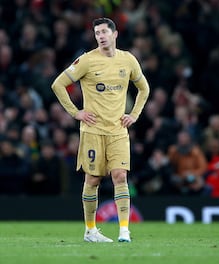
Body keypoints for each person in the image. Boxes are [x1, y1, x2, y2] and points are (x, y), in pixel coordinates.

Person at [51, 17, 150, 243]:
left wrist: (134, 114)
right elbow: (57, 84)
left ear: (115, 34)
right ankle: (90, 230)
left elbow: (144, 88)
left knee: (120, 176)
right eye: (97, 33)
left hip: (118, 131)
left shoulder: (128, 60)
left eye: (105, 32)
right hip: (93, 131)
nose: (101, 36)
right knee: (93, 179)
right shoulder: (87, 61)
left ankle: (124, 230)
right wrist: (75, 112)